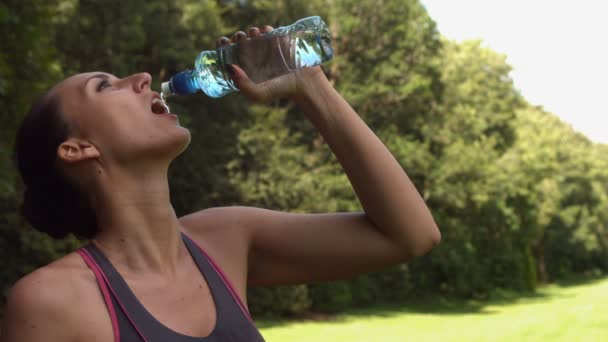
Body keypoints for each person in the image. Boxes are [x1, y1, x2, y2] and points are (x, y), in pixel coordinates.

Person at [1, 25, 440, 342]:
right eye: (105, 86)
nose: (143, 79)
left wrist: (311, 88)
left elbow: (409, 236)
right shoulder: (49, 303)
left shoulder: (226, 239)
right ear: (77, 148)